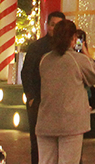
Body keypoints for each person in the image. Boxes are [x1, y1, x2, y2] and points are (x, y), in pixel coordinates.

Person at [35, 19, 95, 164]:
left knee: (45, 161)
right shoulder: (78, 60)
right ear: (73, 39)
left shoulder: (44, 60)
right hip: (71, 122)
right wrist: (85, 52)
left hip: (46, 120)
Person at [23, 11, 67, 164]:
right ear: (47, 26)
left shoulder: (68, 48)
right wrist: (32, 98)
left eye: (59, 25)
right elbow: (26, 73)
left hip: (61, 104)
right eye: (52, 25)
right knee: (38, 144)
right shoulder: (37, 47)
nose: (55, 29)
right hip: (39, 102)